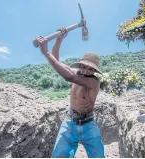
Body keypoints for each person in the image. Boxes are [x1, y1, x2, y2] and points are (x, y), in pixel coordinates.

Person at [35, 28, 105, 158]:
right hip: (70, 123)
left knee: (98, 156)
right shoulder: (76, 72)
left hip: (88, 125)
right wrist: (59, 40)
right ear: (80, 65)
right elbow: (57, 61)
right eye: (84, 66)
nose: (85, 71)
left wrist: (45, 52)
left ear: (95, 70)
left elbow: (69, 77)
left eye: (90, 69)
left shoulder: (94, 82)